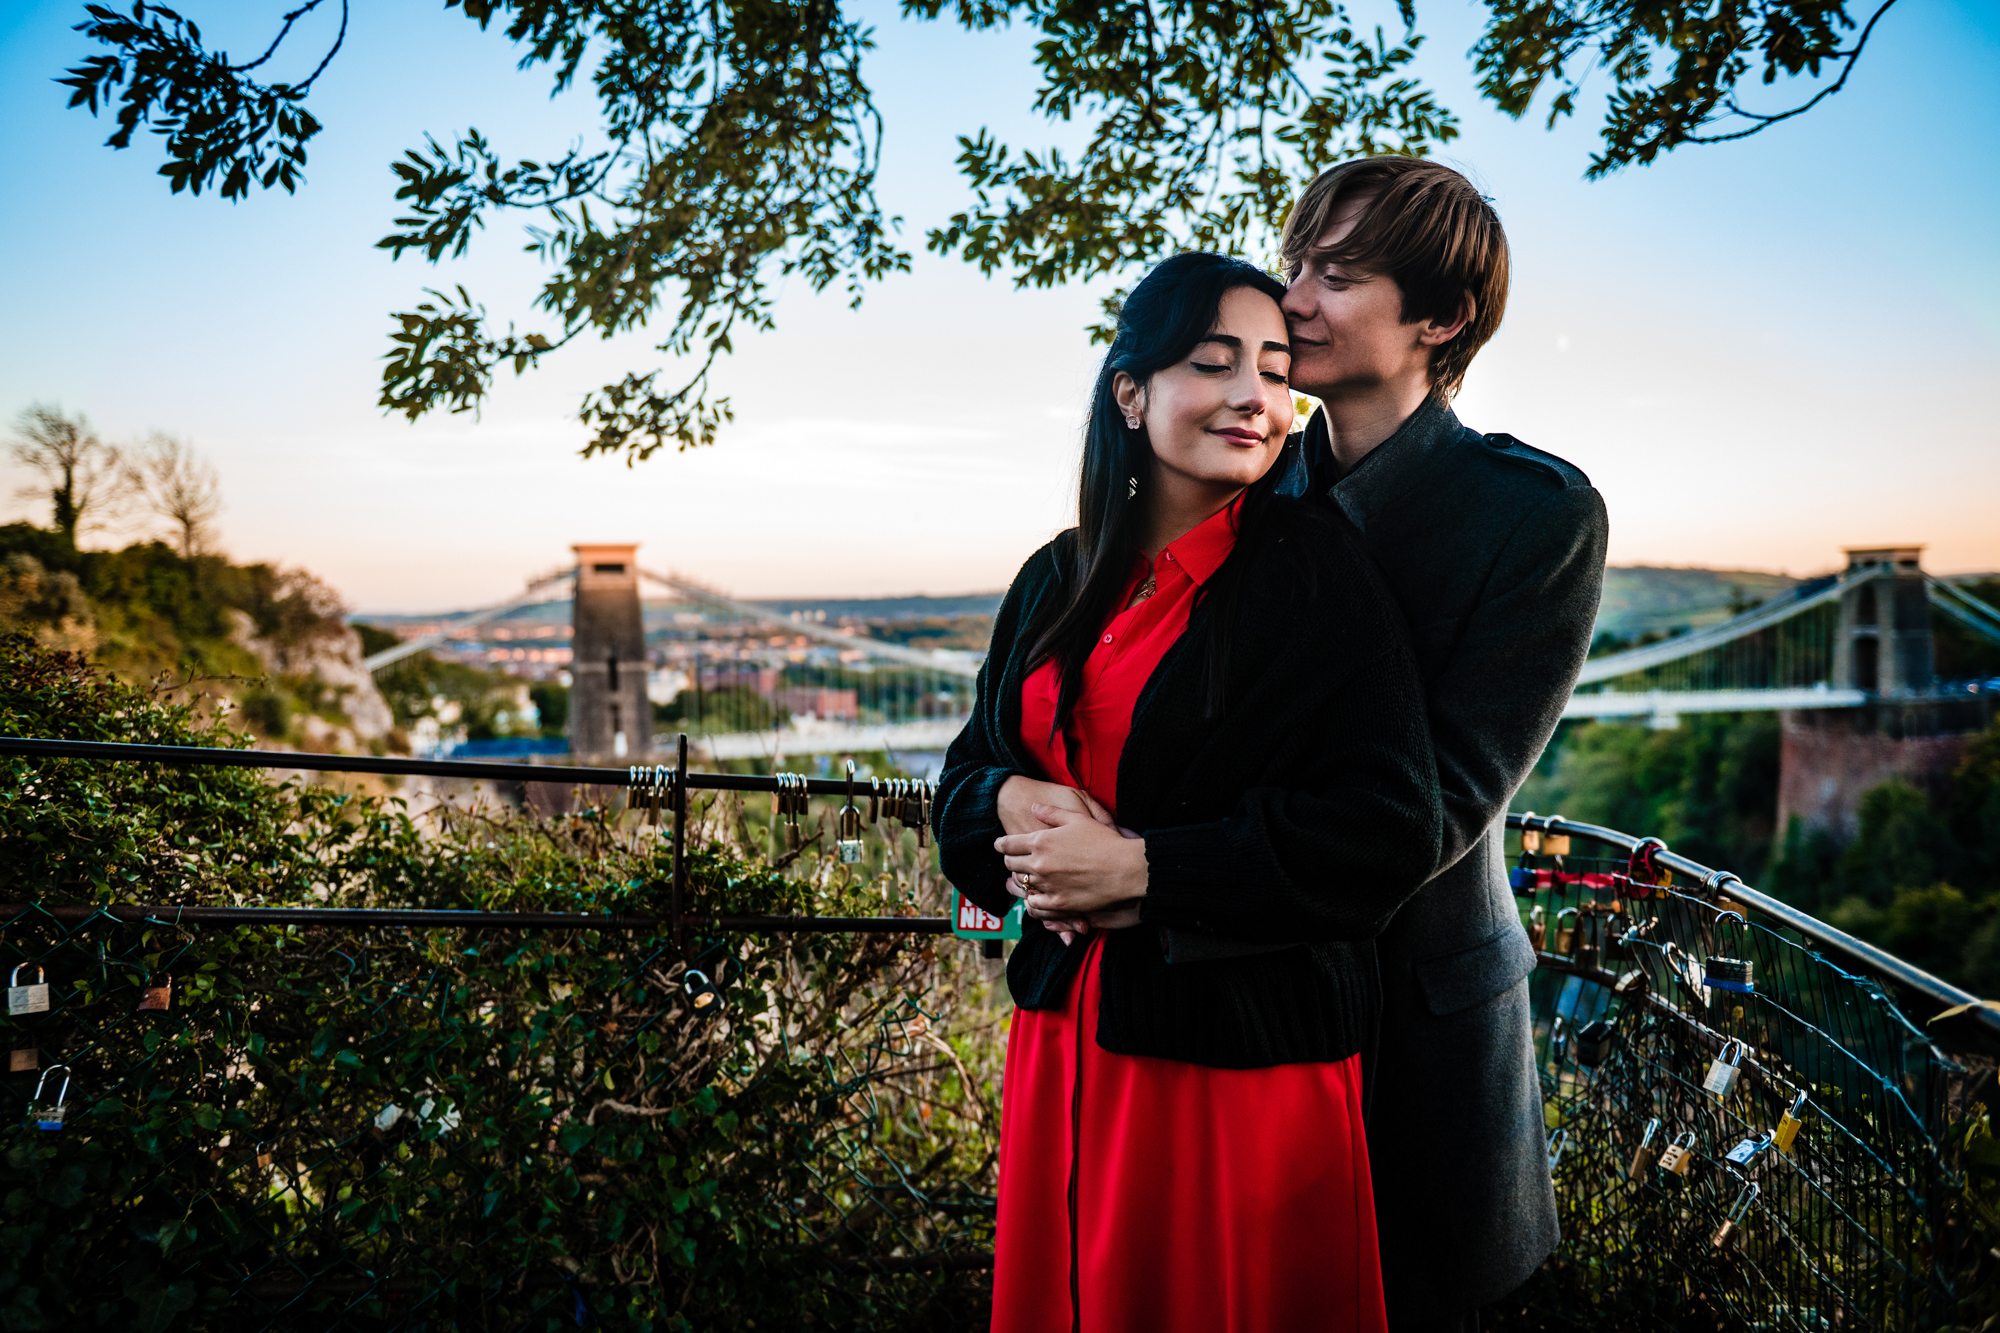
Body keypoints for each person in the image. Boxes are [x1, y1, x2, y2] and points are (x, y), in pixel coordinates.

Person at [933, 250, 1445, 1333]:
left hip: (1232, 1070)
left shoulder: (1317, 577)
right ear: (1130, 392)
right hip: (1065, 1042)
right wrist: (1007, 805)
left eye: (1271, 366)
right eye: (1213, 364)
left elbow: (1386, 830)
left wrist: (1148, 871)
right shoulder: (1053, 577)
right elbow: (963, 778)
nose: (1254, 397)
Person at [1278, 157, 1611, 1331]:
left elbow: (1443, 805)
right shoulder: (1231, 486)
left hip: (1424, 1035)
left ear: (1442, 317)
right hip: (1238, 1019)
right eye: (1290, 266)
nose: (1292, 299)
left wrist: (1161, 870)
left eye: (1334, 274)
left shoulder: (1534, 513)